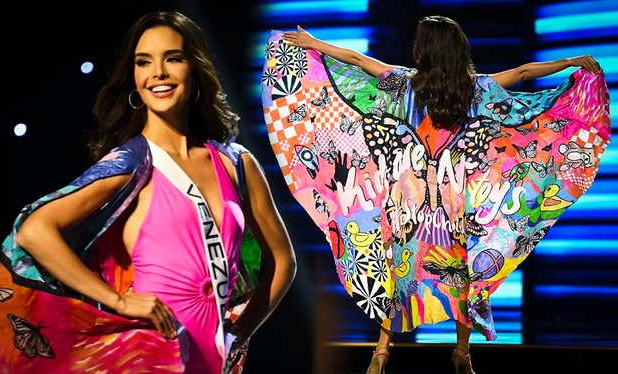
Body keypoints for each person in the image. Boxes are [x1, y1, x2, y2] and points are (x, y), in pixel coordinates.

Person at [260, 15, 610, 374]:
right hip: (454, 197)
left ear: (424, 49)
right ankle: (462, 351)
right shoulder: (475, 87)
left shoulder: (404, 84)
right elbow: (523, 73)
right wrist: (568, 63)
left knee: (396, 270)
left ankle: (382, 350)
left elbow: (358, 61)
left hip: (406, 197)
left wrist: (316, 45)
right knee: (462, 269)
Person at [0, 10, 296, 374]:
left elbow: (282, 261)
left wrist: (240, 333)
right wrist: (118, 301)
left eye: (173, 59)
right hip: (151, 354)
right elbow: (35, 229)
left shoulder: (236, 163)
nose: (157, 72)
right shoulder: (131, 162)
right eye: (143, 62)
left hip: (217, 359)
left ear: (196, 71)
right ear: (134, 79)